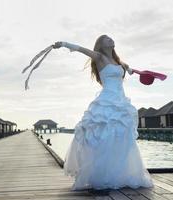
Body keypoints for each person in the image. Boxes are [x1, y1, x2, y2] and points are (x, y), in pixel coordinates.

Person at [52, 35, 154, 191]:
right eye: (106, 39)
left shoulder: (119, 62)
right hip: (106, 101)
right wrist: (64, 44)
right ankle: (103, 175)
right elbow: (80, 49)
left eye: (111, 38)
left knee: (123, 137)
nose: (110, 39)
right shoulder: (99, 57)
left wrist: (138, 72)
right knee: (105, 137)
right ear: (100, 44)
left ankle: (122, 174)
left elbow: (130, 69)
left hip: (121, 102)